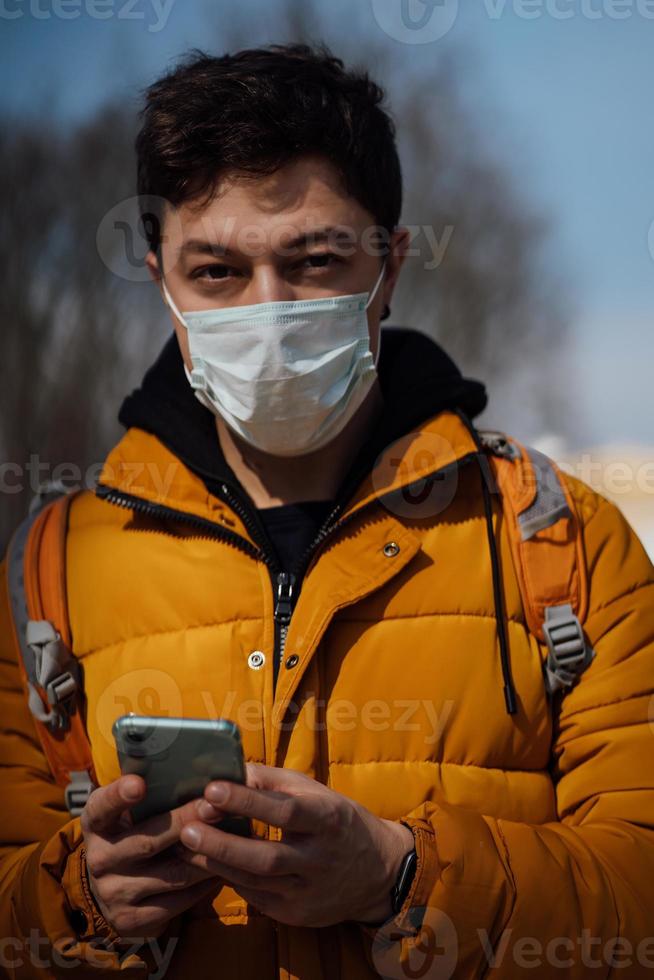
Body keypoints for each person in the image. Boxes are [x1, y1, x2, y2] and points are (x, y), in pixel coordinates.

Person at [1, 42, 653, 980]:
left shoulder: (563, 545)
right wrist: (79, 900)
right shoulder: (47, 574)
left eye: (313, 261)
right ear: (161, 282)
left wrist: (403, 877)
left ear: (389, 269)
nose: (267, 313)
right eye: (217, 272)